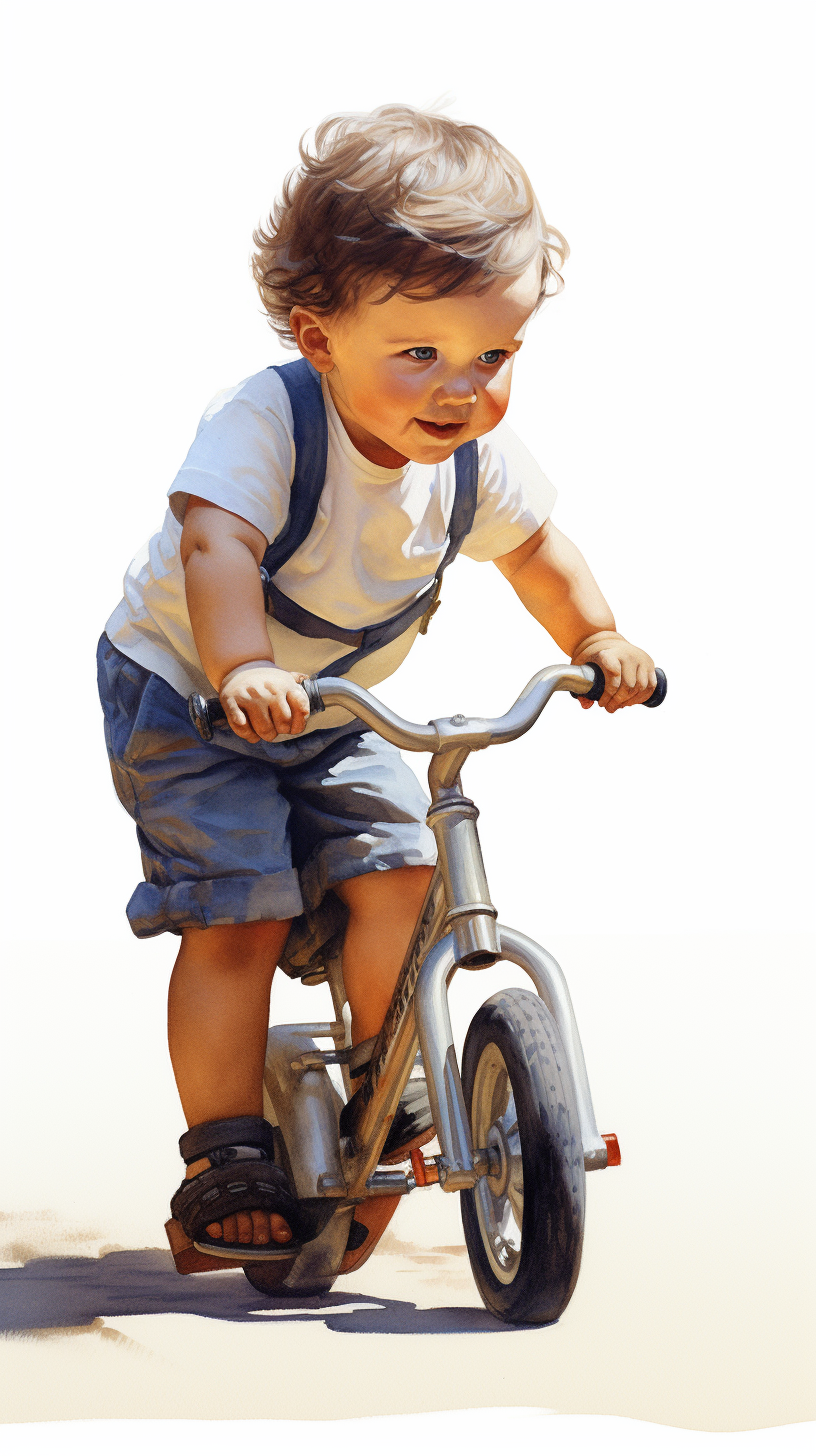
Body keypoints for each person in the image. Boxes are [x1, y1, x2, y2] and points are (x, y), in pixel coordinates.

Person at [98, 104, 656, 1260]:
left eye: (493, 358)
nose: (462, 390)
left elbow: (538, 552)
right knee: (238, 911)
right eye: (423, 355)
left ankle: (382, 1073)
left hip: (329, 705)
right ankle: (228, 1148)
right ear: (317, 336)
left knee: (405, 870)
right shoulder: (268, 422)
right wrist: (242, 664)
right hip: (193, 692)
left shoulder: (470, 460)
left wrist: (601, 639)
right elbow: (217, 549)